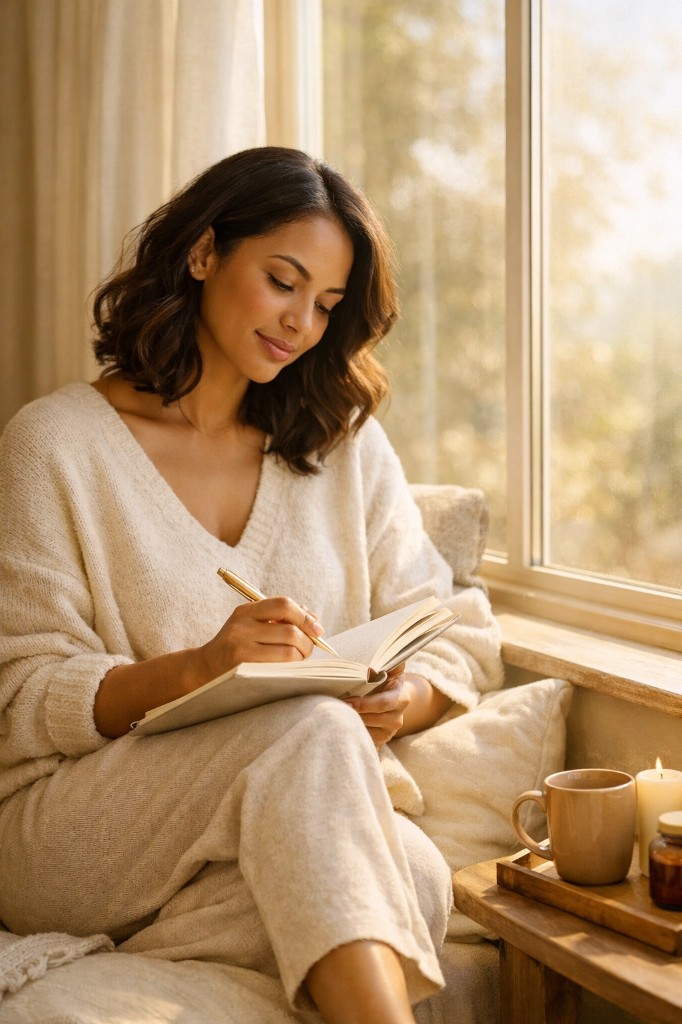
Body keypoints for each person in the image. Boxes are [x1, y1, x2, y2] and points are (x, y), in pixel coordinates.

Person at [0, 147, 503, 1024]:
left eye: (328, 305)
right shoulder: (54, 445)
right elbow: (20, 696)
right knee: (319, 747)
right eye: (283, 281)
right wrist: (204, 669)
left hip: (277, 818)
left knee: (413, 871)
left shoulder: (340, 446)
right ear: (204, 253)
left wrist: (406, 699)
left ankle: (180, 941)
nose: (302, 323)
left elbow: (456, 628)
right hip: (70, 828)